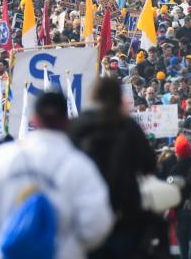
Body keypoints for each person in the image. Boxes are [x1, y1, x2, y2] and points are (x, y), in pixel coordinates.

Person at [0, 92, 114, 258]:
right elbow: (97, 223)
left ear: (34, 120)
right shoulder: (79, 165)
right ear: (66, 122)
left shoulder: (4, 158)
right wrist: (71, 247)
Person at [69, 76, 163, 258]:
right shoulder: (127, 126)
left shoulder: (76, 126)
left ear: (92, 96)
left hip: (85, 215)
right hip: (124, 214)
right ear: (119, 98)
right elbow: (149, 165)